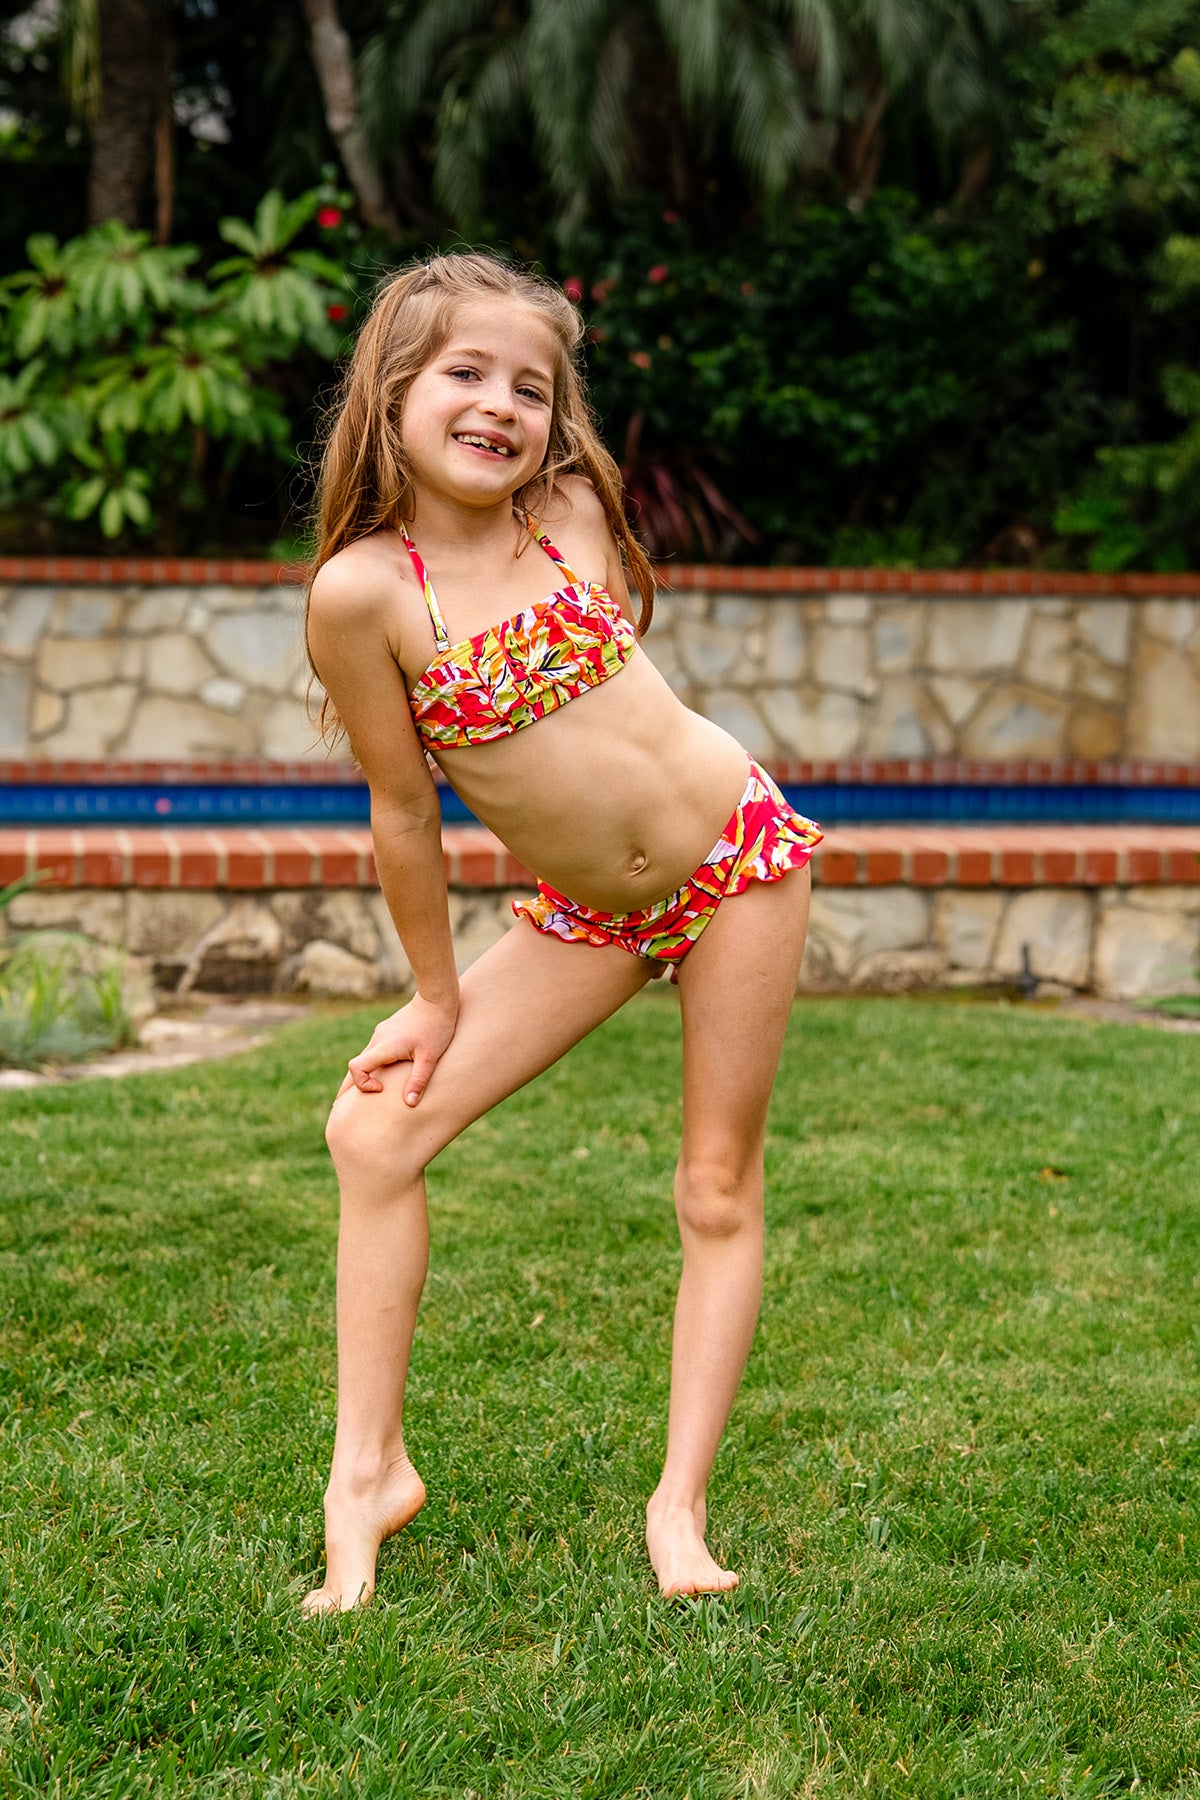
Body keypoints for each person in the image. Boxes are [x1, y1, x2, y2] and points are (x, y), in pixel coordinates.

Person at [301, 252, 822, 1614]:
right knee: (373, 1132)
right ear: (393, 392)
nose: (500, 404)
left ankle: (678, 1507)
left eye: (531, 387)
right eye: (466, 373)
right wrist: (433, 996)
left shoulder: (571, 511)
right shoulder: (367, 595)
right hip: (595, 913)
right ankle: (367, 1475)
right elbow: (404, 812)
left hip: (738, 858)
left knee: (716, 1187)